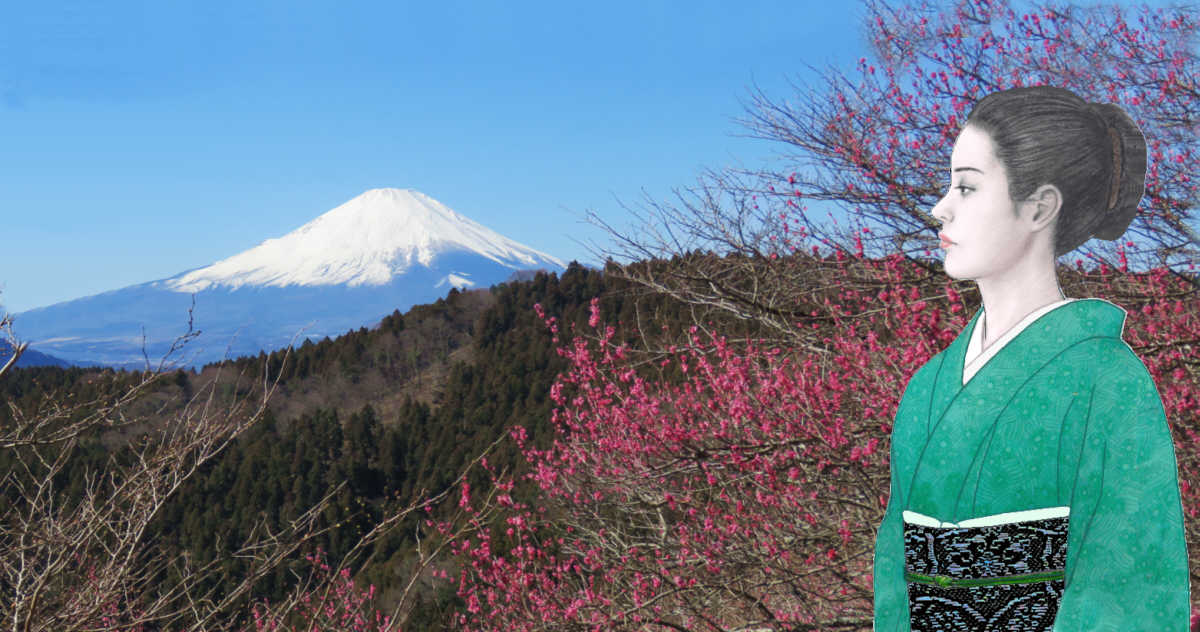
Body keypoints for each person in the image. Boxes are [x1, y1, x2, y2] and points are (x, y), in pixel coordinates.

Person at [871, 85, 1190, 631]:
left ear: (1040, 206)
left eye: (966, 188)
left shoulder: (1106, 381)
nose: (939, 208)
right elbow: (895, 575)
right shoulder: (927, 386)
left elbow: (1130, 590)